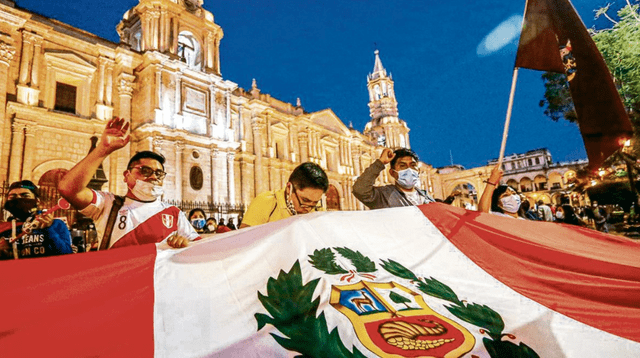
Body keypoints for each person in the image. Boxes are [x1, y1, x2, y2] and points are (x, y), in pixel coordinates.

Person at [58, 117, 200, 250]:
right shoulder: (108, 204)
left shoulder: (173, 213)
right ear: (127, 175)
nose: (153, 177)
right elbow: (68, 189)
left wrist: (185, 244)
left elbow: (199, 248)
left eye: (158, 173)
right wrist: (102, 149)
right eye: (145, 170)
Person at [240, 162, 329, 228]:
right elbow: (245, 240)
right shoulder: (265, 203)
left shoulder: (317, 208)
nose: (308, 209)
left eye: (315, 202)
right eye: (305, 200)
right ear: (289, 188)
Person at [0, 180, 73, 259]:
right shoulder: (3, 228)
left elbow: (66, 254)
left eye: (25, 196)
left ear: (37, 201)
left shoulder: (56, 224)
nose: (18, 199)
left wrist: (49, 229)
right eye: (13, 197)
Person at [352, 147, 434, 209]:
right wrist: (380, 162)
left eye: (412, 165)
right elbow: (360, 190)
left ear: (418, 170)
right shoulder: (383, 196)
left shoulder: (427, 197)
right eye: (402, 166)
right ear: (392, 173)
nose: (409, 169)